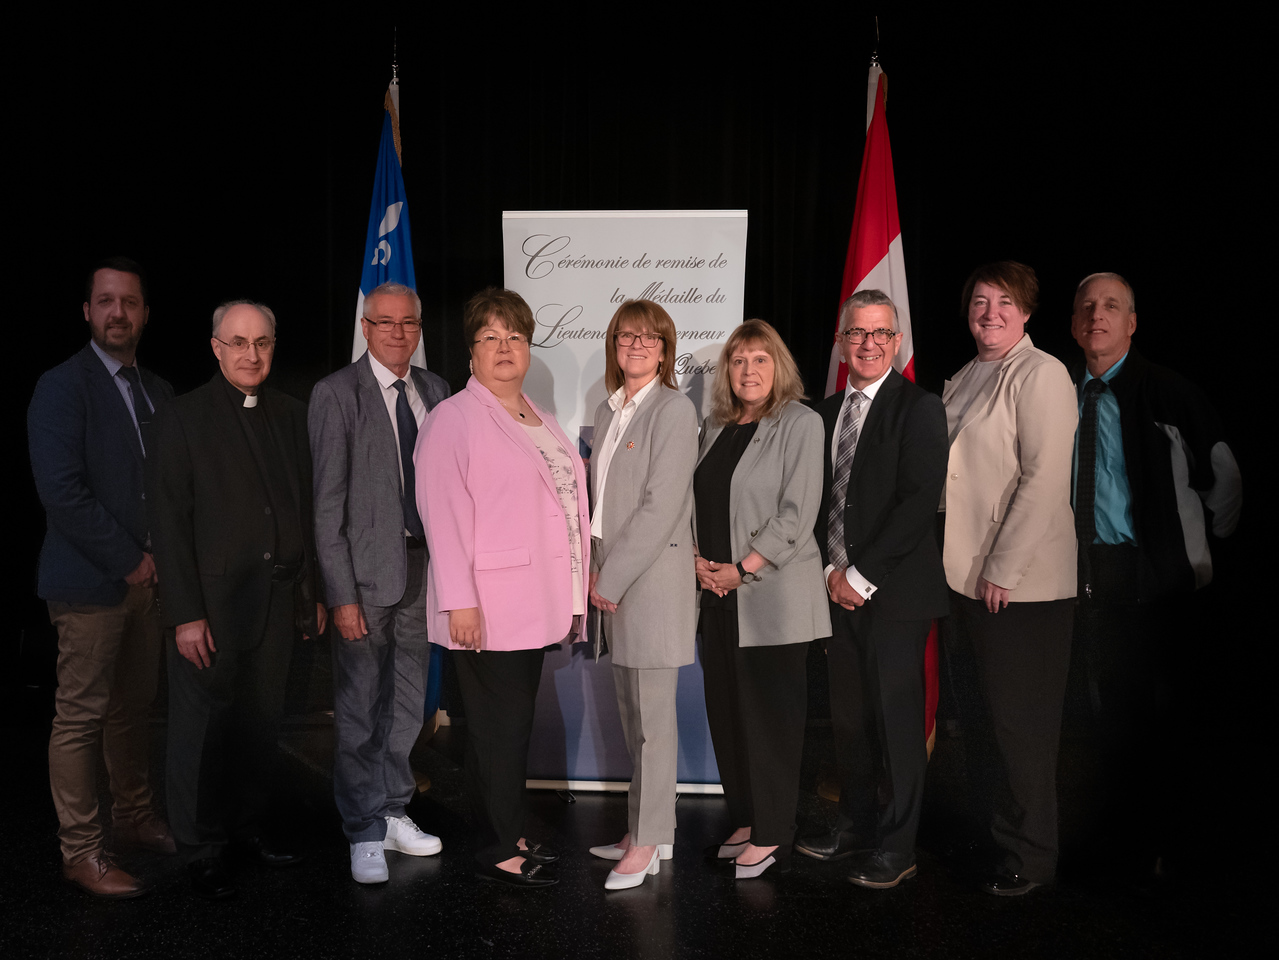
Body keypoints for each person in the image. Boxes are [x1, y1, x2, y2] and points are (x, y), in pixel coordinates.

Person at [150, 299, 325, 900]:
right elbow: (168, 523)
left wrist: (309, 595)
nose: (251, 354)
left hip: (277, 604)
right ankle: (200, 845)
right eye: (238, 342)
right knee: (202, 727)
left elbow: (300, 511)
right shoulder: (182, 417)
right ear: (216, 348)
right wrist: (185, 614)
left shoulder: (291, 414)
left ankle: (247, 829)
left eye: (262, 342)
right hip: (212, 609)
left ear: (274, 346)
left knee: (259, 724)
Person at [1068, 272, 1241, 875]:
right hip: (1094, 575)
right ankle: (1123, 841)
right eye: (1087, 307)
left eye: (1111, 306)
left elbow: (1225, 476)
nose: (1098, 315)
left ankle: (1170, 847)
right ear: (1072, 323)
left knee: (1167, 717)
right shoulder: (1063, 394)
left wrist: (1198, 546)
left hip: (1162, 578)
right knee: (1110, 716)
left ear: (1132, 323)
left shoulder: (1170, 391)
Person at [417, 288, 589, 889]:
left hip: (533, 602)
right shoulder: (453, 419)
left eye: (514, 335)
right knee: (495, 728)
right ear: (471, 353)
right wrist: (458, 600)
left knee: (514, 725)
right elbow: (443, 515)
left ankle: (511, 825)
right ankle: (498, 844)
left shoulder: (539, 415)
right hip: (486, 608)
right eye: (489, 337)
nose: (504, 347)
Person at [28, 257, 175, 898]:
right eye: (106, 301)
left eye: (131, 302)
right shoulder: (62, 386)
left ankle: (134, 818)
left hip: (149, 585)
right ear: (87, 312)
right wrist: (130, 559)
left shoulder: (160, 392)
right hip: (91, 584)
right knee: (82, 718)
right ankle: (81, 851)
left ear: (145, 313)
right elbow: (62, 493)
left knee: (133, 711)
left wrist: (165, 556)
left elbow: (169, 491)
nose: (119, 312)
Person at [795, 291, 949, 889]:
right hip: (833, 592)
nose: (869, 344)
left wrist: (858, 576)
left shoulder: (920, 408)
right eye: (857, 333)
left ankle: (899, 843)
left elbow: (917, 505)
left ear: (897, 341)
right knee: (850, 719)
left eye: (881, 333)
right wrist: (827, 576)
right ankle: (855, 826)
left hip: (895, 597)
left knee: (897, 722)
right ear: (841, 340)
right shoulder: (823, 413)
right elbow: (816, 502)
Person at [940, 262, 1078, 896]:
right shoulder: (966, 377)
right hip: (962, 579)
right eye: (979, 301)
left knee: (1021, 727)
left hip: (1018, 586)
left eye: (1003, 303)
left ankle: (1032, 857)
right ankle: (999, 843)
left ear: (1025, 313)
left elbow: (1044, 478)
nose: (989, 312)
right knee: (984, 720)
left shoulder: (1042, 373)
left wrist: (1003, 568)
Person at [308, 282, 450, 884]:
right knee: (361, 707)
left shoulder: (436, 390)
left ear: (419, 328)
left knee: (408, 702)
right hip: (364, 582)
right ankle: (362, 827)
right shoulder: (336, 394)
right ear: (365, 327)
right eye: (385, 323)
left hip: (425, 571)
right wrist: (339, 594)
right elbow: (326, 507)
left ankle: (393, 809)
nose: (398, 333)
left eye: (408, 323)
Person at [693, 320, 830, 880]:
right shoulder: (716, 426)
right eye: (739, 360)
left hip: (771, 596)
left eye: (760, 360)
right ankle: (748, 819)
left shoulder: (800, 422)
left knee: (771, 721)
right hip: (716, 595)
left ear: (779, 367)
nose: (748, 371)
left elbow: (798, 514)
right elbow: (698, 500)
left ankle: (774, 831)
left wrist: (740, 569)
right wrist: (700, 563)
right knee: (728, 716)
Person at [586, 299, 698, 890]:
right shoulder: (608, 414)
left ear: (664, 349)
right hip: (616, 578)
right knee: (634, 717)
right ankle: (645, 827)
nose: (634, 346)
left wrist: (609, 577)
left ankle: (652, 840)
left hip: (649, 583)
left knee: (654, 722)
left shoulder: (674, 410)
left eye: (647, 338)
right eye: (625, 336)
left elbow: (660, 511)